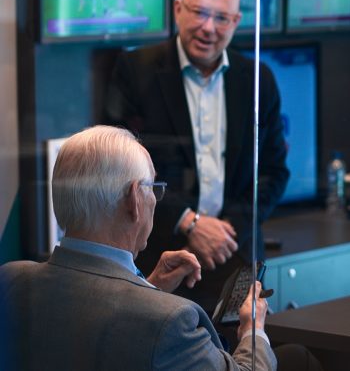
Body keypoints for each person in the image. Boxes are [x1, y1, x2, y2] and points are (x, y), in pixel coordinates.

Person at [0, 125, 276, 371]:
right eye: (154, 188)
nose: (155, 199)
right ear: (134, 199)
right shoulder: (170, 323)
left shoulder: (11, 280)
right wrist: (253, 328)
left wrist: (148, 287)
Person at [104, 0, 289, 313]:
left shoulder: (258, 79)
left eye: (221, 17)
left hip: (236, 260)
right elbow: (118, 169)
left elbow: (274, 173)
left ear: (236, 21)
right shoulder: (135, 70)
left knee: (241, 360)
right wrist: (189, 222)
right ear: (178, 9)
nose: (208, 27)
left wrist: (223, 232)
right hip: (160, 261)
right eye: (200, 12)